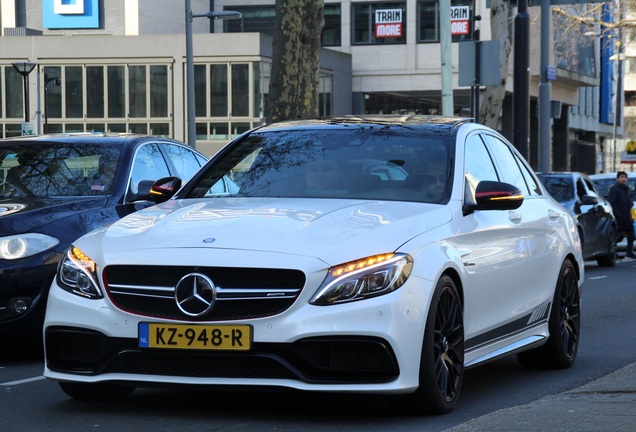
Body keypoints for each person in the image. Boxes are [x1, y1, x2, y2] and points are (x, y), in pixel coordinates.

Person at [608, 171, 635, 258]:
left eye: (625, 177)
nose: (624, 179)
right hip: (619, 216)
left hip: (627, 215)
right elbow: (613, 203)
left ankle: (629, 252)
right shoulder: (615, 189)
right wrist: (618, 214)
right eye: (622, 177)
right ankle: (611, 251)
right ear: (617, 179)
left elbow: (628, 201)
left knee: (631, 235)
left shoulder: (626, 189)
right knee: (619, 236)